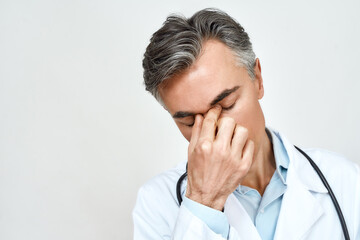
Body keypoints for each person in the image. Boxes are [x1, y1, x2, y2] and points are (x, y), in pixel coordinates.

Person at [132, 8, 360, 240]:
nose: (215, 131)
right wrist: (203, 200)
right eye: (189, 121)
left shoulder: (345, 182)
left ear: (258, 80)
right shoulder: (156, 203)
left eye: (227, 104)